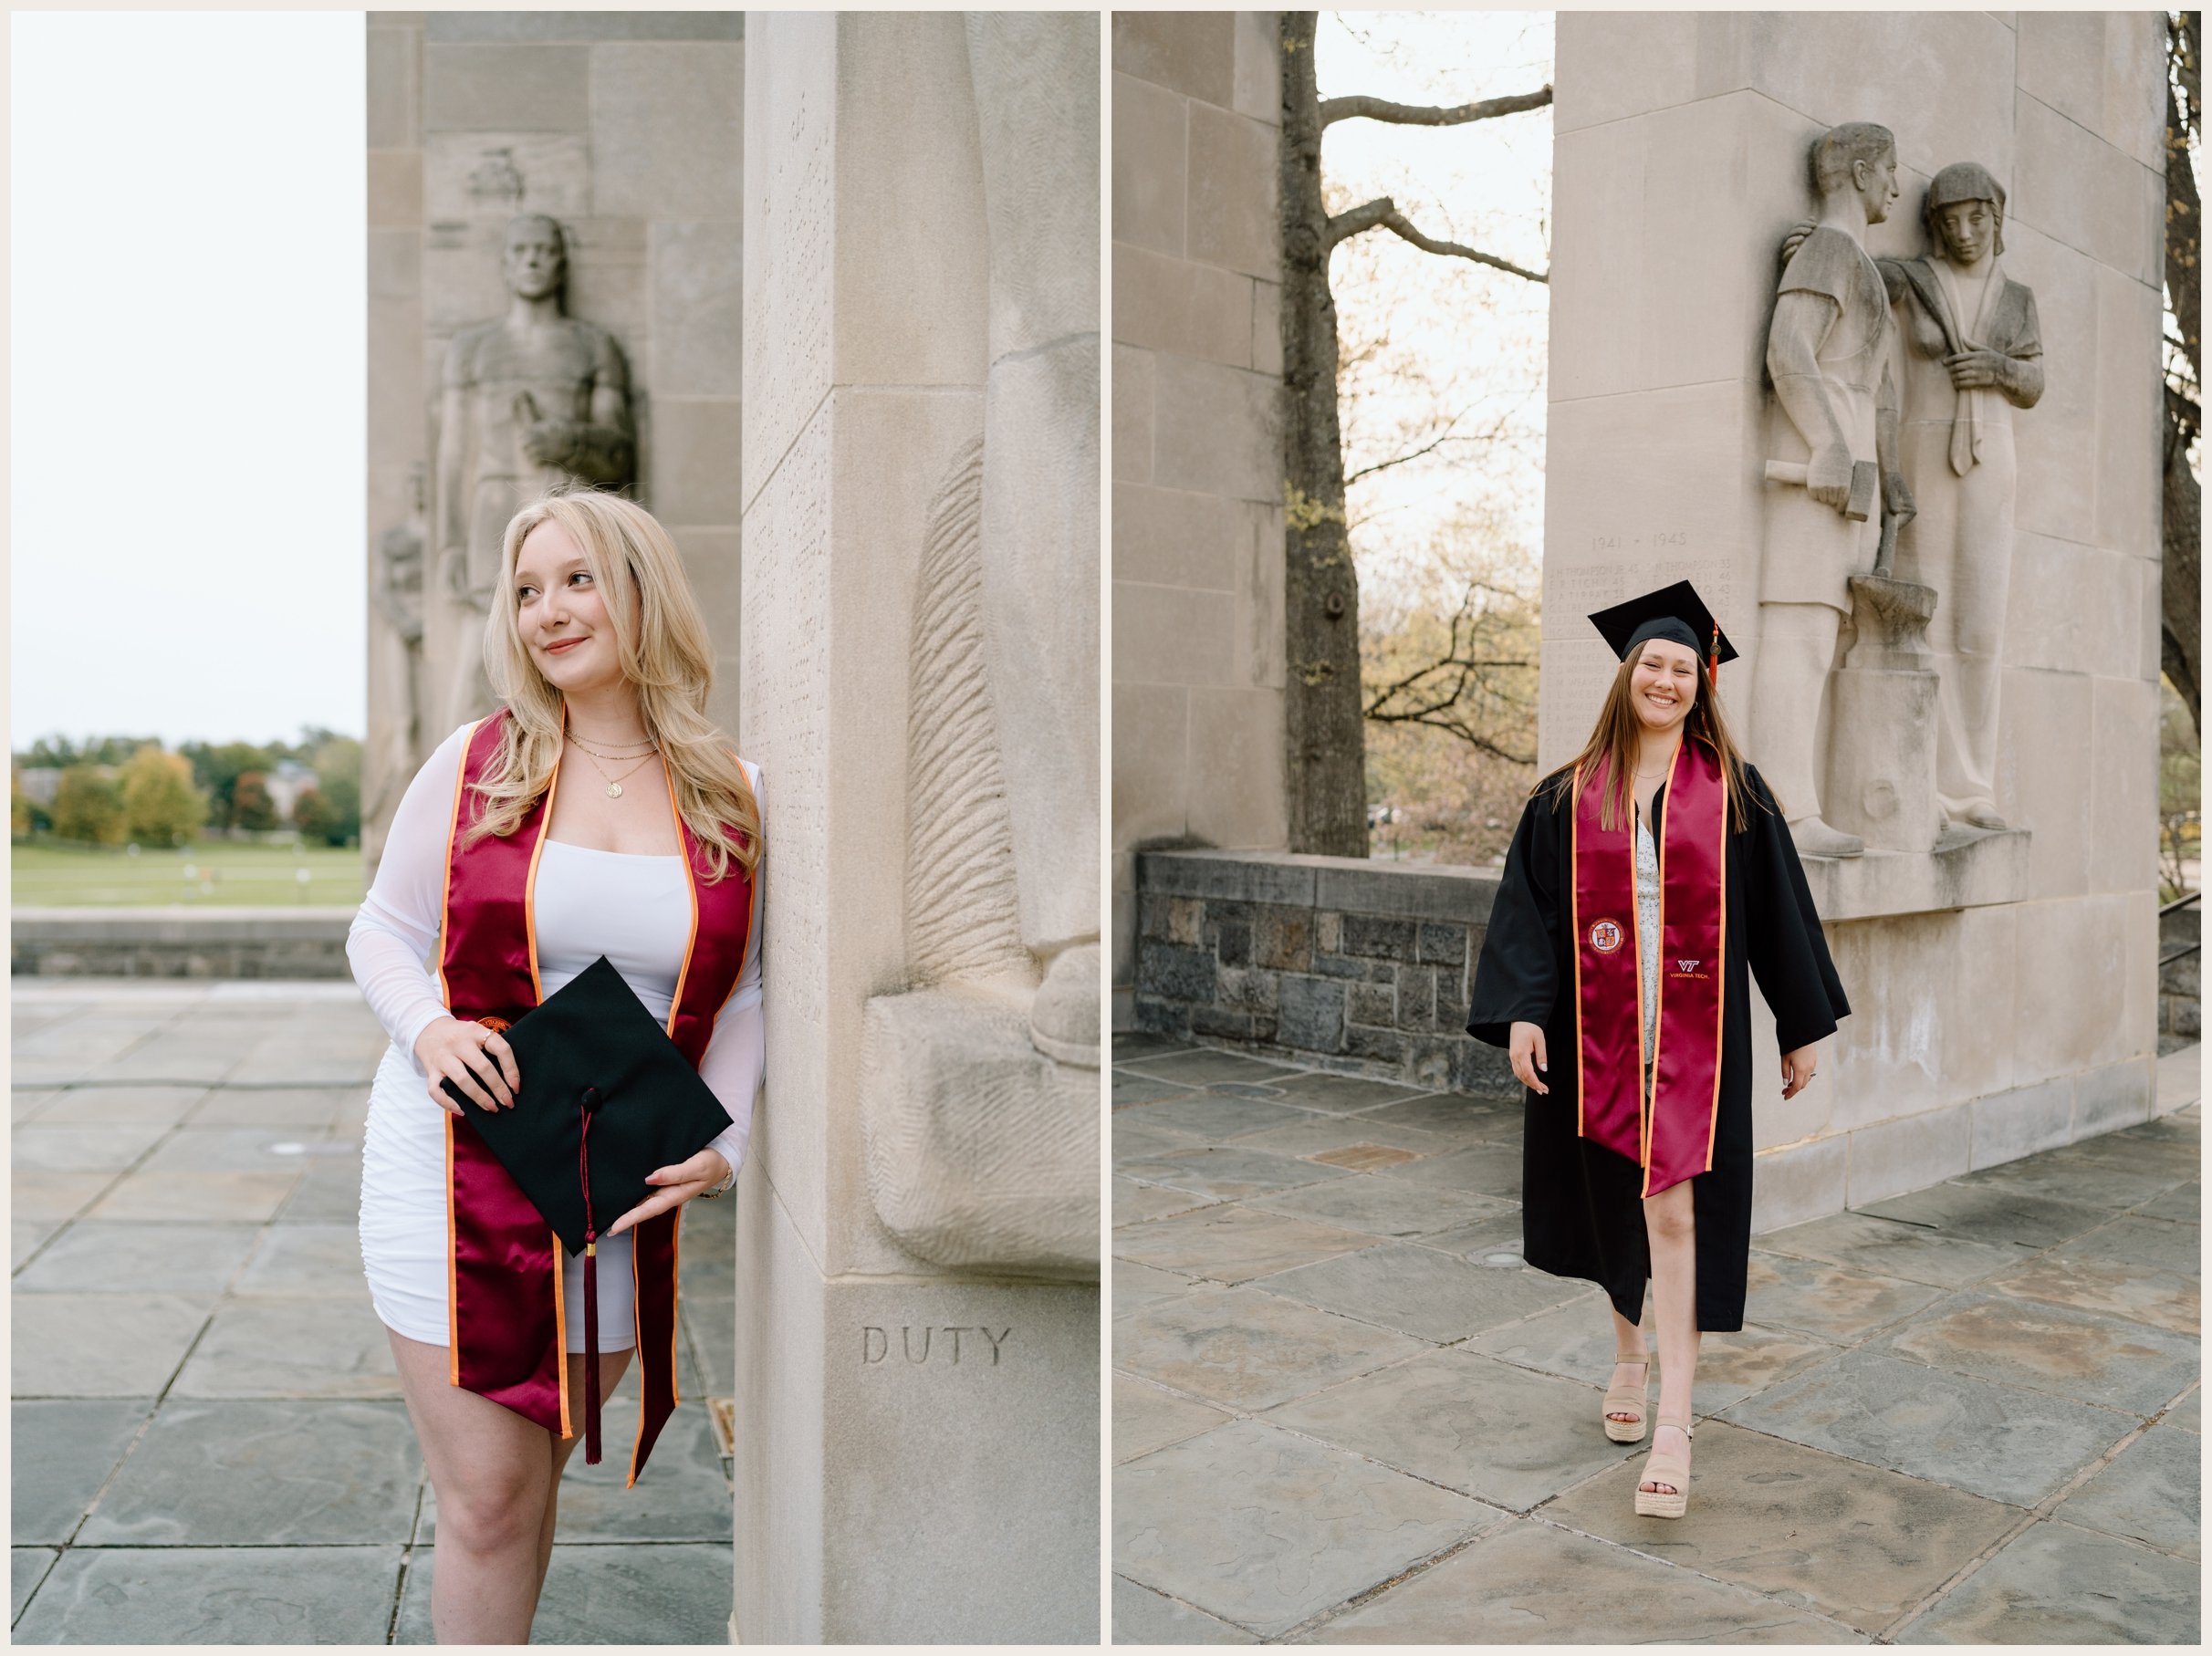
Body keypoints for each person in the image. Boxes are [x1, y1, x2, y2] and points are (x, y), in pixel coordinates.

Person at [347, 488, 763, 1641]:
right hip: (451, 1156)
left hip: (610, 1185)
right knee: (484, 1499)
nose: (547, 611)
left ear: (640, 589)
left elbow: (753, 988)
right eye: (527, 591)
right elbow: (378, 930)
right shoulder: (480, 762)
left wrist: (723, 1145)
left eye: (577, 579)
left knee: (529, 1491)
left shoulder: (732, 788)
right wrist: (428, 1029)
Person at [1465, 581, 1848, 1519]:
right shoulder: (1566, 796)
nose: (1667, 680)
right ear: (1627, 674)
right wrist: (1522, 1009)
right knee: (1613, 1211)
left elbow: (1780, 920)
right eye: (1653, 665)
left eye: (1683, 668)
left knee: (1678, 1214)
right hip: (1596, 1037)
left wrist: (1799, 1023)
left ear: (1701, 683)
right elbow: (1529, 918)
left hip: (1695, 1049)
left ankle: (1675, 1414)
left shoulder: (1737, 796)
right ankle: (1629, 1355)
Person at [1878, 161, 2044, 829]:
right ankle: (1926, 778)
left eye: (1978, 218)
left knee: (1980, 623)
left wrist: (1998, 368)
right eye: (1951, 221)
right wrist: (1817, 237)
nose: (1966, 231)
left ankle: (1973, 785)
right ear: (1936, 228)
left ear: (1996, 222)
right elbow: (1856, 274)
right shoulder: (1916, 281)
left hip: (1992, 456)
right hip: (1924, 450)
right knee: (1928, 610)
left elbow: (2034, 382)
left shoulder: (2017, 298)